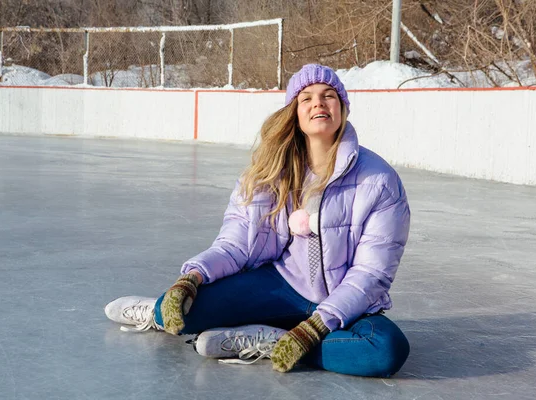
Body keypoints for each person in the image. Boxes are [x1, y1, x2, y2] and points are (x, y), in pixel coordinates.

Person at [105, 64, 411, 377]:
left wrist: (318, 326)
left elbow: (371, 272)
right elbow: (237, 242)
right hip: (282, 284)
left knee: (385, 350)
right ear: (294, 112)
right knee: (184, 309)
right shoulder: (270, 170)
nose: (318, 102)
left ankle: (272, 341)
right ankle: (155, 313)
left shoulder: (379, 180)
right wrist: (192, 277)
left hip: (344, 299)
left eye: (328, 95)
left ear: (342, 108)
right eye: (306, 98)